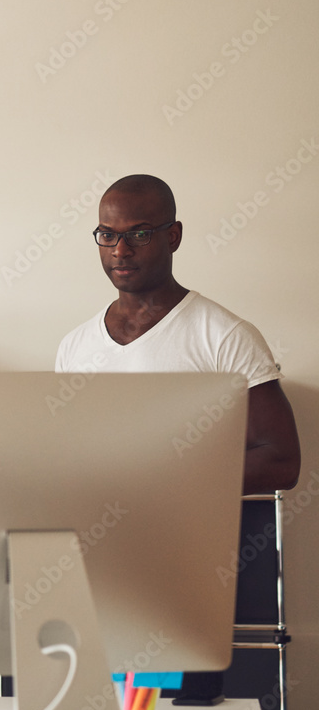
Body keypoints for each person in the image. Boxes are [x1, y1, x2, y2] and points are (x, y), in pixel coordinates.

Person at [56, 174, 299, 495]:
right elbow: (61, 458)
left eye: (138, 234)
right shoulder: (74, 345)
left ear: (173, 236)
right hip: (93, 534)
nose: (120, 250)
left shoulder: (225, 336)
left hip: (192, 540)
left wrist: (164, 479)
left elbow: (281, 462)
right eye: (107, 234)